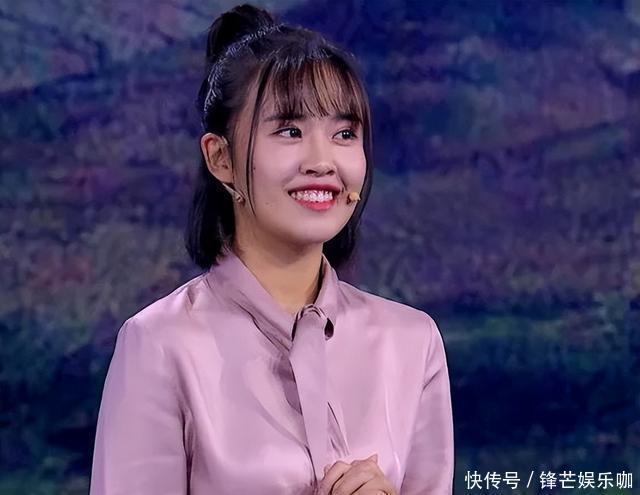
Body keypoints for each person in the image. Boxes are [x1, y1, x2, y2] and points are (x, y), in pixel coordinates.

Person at [89, 4, 454, 494]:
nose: (323, 161)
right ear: (221, 158)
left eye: (344, 134)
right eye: (290, 131)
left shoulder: (411, 342)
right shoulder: (160, 345)